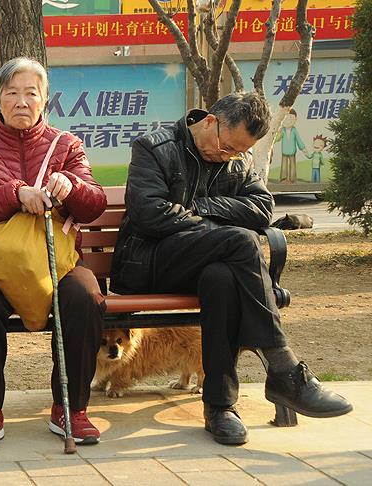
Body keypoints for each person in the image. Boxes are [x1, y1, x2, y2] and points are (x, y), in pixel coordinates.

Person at [110, 91, 352, 445]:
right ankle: (284, 368)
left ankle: (219, 406)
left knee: (222, 278)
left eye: (238, 152)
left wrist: (201, 206)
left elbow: (261, 208)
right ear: (210, 121)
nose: (228, 156)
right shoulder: (155, 147)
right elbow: (150, 214)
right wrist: (218, 230)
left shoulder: (238, 159)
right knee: (240, 240)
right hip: (149, 262)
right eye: (226, 147)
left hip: (207, 266)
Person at [0, 57, 107, 451]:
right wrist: (16, 194)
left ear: (44, 100)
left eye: (31, 93)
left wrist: (71, 186)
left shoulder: (67, 145)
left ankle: (70, 408)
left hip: (58, 261)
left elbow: (95, 205)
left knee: (84, 296)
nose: (21, 102)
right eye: (12, 93)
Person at [276, 108, 305, 184]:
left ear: (296, 119)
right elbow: (278, 139)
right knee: (284, 165)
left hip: (292, 151)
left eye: (291, 118)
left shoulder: (294, 130)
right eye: (286, 118)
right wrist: (277, 133)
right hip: (284, 150)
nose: (288, 120)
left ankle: (292, 179)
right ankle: (283, 178)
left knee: (292, 165)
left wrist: (302, 148)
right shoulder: (282, 130)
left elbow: (298, 139)